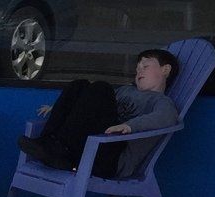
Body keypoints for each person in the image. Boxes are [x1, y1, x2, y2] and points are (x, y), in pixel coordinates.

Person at [18, 48, 181, 171]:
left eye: (145, 66)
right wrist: (60, 107)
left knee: (101, 88)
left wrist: (129, 126)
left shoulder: (161, 101)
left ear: (165, 70)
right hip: (89, 145)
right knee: (79, 84)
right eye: (137, 68)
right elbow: (91, 105)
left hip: (112, 155)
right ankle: (48, 142)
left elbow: (167, 117)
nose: (138, 71)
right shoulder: (126, 90)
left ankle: (61, 150)